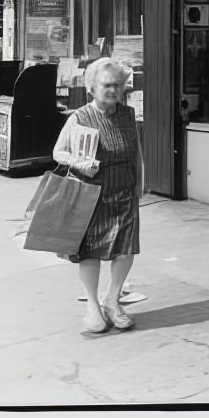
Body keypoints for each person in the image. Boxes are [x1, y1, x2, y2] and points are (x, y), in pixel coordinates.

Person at [53, 56, 142, 335]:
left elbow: (136, 152)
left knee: (125, 250)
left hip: (124, 192)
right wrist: (78, 163)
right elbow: (58, 152)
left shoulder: (127, 115)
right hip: (91, 193)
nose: (113, 90)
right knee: (90, 252)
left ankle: (112, 300)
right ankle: (92, 305)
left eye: (118, 85)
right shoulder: (79, 117)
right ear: (92, 86)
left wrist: (140, 183)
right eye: (107, 85)